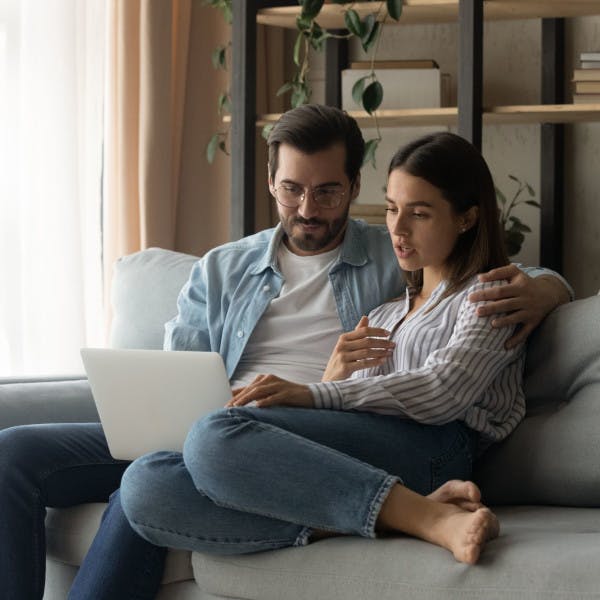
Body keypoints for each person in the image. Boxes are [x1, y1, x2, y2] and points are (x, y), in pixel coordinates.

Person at [0, 106, 569, 600]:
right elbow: (176, 372)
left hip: (305, 424)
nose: (308, 209)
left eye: (328, 191)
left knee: (175, 463)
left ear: (352, 186)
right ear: (271, 181)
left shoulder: (393, 256)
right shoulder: (225, 268)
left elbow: (486, 279)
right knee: (56, 461)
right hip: (227, 421)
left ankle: (399, 510)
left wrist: (548, 288)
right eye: (292, 189)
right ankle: (366, 512)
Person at [117, 129, 554, 572]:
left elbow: (443, 391)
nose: (398, 230)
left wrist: (312, 394)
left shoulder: (490, 296)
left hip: (438, 449)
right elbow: (342, 421)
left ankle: (425, 515)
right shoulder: (384, 314)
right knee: (147, 482)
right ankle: (397, 516)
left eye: (419, 214)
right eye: (391, 210)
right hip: (366, 457)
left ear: (466, 218)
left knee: (214, 435)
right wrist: (331, 380)